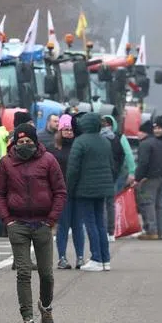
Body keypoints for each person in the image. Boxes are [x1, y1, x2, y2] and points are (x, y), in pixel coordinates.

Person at [0, 122, 67, 323]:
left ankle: (45, 306)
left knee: (46, 274)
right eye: (21, 141)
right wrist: (7, 219)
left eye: (28, 141)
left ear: (36, 142)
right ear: (15, 143)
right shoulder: (6, 163)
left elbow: (60, 191)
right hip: (18, 224)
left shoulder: (48, 161)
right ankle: (27, 319)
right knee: (24, 272)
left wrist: (51, 219)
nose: (24, 145)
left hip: (43, 224)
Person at [67, 113, 115, 271]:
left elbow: (73, 169)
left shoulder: (80, 142)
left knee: (90, 224)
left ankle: (96, 258)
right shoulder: (105, 142)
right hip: (103, 188)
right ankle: (105, 259)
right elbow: (112, 165)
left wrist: (70, 188)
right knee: (101, 223)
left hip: (84, 189)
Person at [49, 115, 84, 269]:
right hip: (61, 192)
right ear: (60, 130)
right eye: (65, 129)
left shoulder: (79, 147)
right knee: (63, 226)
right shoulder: (53, 149)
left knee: (77, 226)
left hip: (78, 192)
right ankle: (62, 258)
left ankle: (80, 257)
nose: (69, 132)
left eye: (71, 129)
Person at [134, 120, 162, 239]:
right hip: (160, 178)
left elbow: (143, 163)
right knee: (158, 205)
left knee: (147, 204)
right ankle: (159, 231)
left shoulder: (145, 144)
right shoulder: (159, 143)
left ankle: (150, 231)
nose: (137, 134)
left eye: (139, 132)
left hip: (148, 179)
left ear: (144, 133)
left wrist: (138, 178)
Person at [100, 114, 132, 241]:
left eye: (108, 124)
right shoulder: (118, 138)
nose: (106, 127)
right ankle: (110, 231)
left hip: (106, 175)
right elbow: (124, 155)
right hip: (113, 175)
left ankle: (106, 230)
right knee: (109, 203)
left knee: (104, 203)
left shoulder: (96, 138)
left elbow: (125, 155)